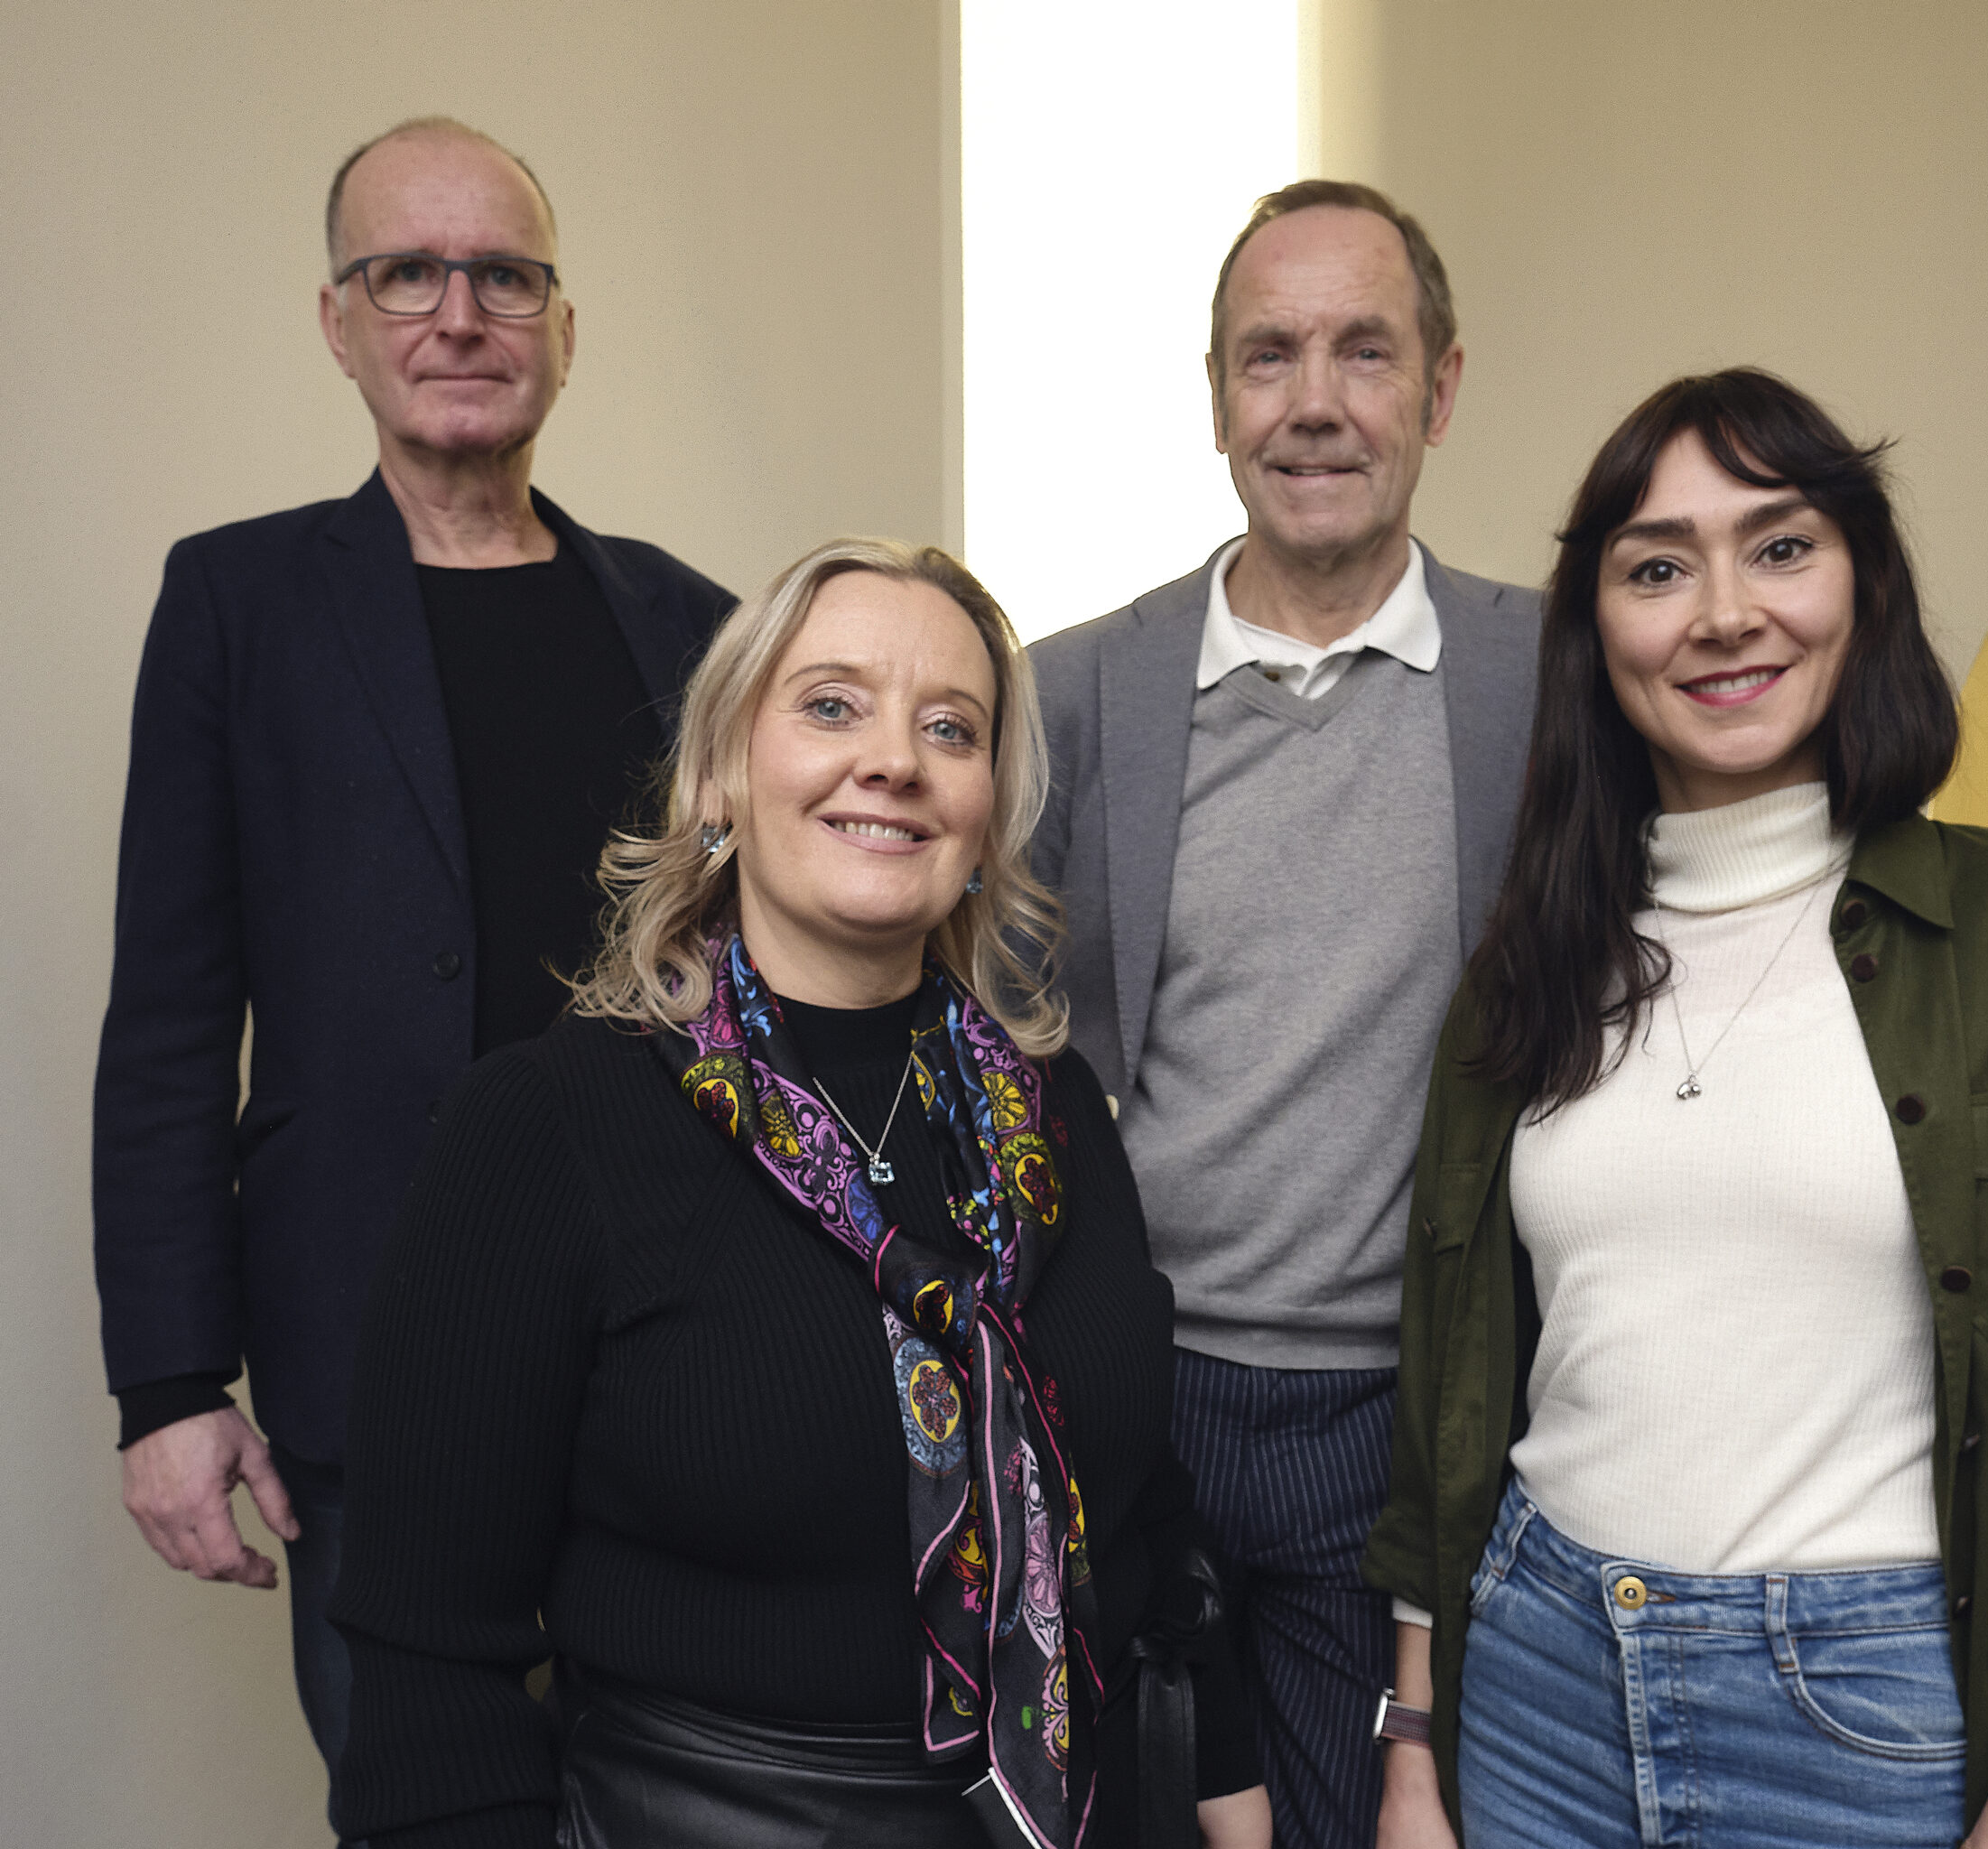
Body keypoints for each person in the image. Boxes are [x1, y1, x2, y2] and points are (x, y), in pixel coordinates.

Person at [1365, 368, 1988, 1848]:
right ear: (1598, 633)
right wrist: (1415, 1759)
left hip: (1869, 1711)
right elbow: (1453, 1390)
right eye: (1655, 568)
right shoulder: (1528, 974)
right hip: (1538, 1679)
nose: (1722, 613)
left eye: (1779, 546)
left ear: (1863, 583)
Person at [328, 539, 1273, 1849]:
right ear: (720, 774)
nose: (893, 758)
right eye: (831, 705)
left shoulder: (1055, 1114)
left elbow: (1131, 1490)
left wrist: (1229, 1783)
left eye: (951, 727)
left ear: (987, 816)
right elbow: (428, 1650)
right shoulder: (545, 1129)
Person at [90, 115, 733, 1826]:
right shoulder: (235, 606)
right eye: (408, 273)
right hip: (366, 1373)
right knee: (427, 1811)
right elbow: (167, 1021)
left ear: (564, 328)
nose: (459, 312)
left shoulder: (695, 629)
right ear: (341, 320)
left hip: (661, 1365)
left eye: (504, 275)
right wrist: (169, 1387)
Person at [1028, 179, 1540, 1848]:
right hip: (1135, 1392)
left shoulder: (1551, 688)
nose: (1314, 401)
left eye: (1364, 353)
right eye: (1270, 357)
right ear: (1218, 398)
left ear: (1441, 390)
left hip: (1400, 1421)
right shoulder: (1071, 694)